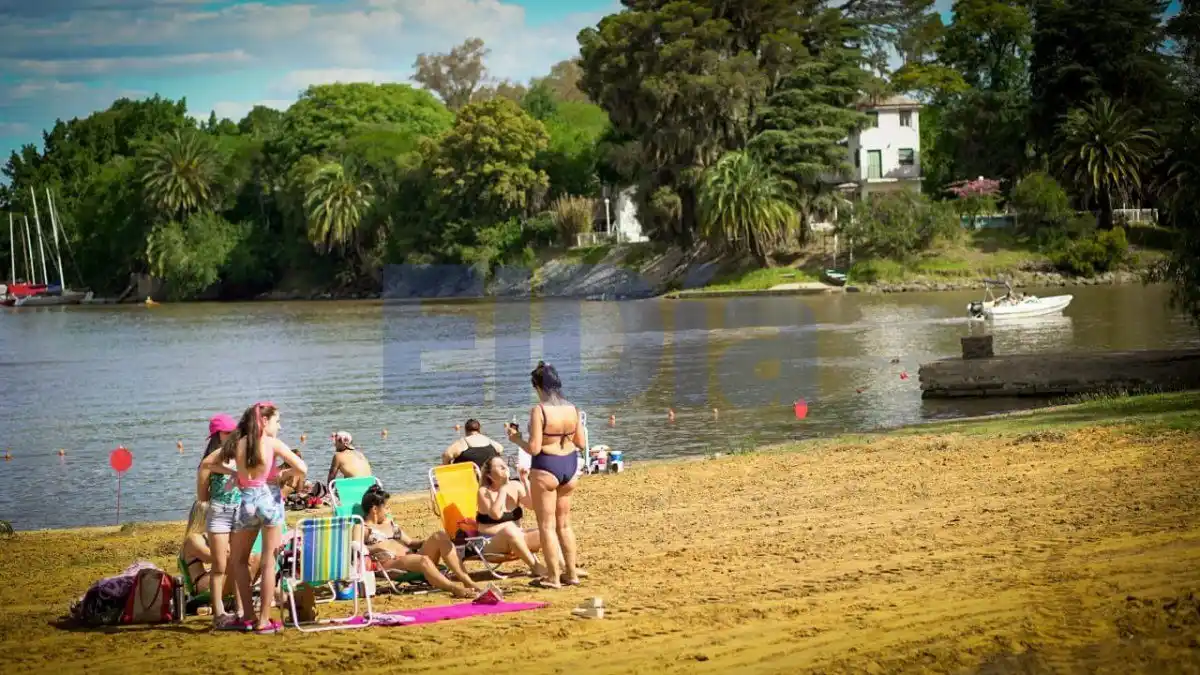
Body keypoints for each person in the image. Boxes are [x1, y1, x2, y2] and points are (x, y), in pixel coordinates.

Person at [221, 401, 307, 634]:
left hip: (246, 502)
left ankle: (247, 615)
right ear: (265, 421)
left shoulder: (238, 444)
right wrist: (283, 474)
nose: (279, 426)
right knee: (269, 561)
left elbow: (222, 467)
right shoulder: (271, 443)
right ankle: (263, 621)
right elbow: (302, 468)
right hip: (269, 501)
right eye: (277, 421)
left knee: (239, 560)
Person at [506, 361, 585, 588]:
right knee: (565, 525)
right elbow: (581, 443)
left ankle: (553, 577)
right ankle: (572, 574)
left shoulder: (539, 410)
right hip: (569, 467)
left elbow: (534, 448)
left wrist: (515, 438)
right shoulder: (572, 408)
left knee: (547, 527)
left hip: (546, 468)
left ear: (538, 386)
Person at [355, 485, 486, 599]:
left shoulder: (390, 524)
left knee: (439, 536)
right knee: (422, 560)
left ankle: (468, 581)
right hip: (390, 563)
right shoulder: (362, 527)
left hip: (410, 557)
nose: (389, 510)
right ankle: (455, 589)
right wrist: (376, 547)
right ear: (375, 509)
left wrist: (430, 541)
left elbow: (411, 543)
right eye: (386, 507)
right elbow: (355, 549)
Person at [194, 413, 245, 628]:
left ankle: (242, 609)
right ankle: (219, 613)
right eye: (228, 432)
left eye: (234, 431)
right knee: (219, 566)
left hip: (240, 511)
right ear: (217, 436)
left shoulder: (239, 453)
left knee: (238, 563)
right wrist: (224, 469)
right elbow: (202, 497)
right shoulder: (209, 462)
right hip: (219, 512)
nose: (233, 435)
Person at [180, 500, 262, 610]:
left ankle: (240, 598)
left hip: (217, 574)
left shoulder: (213, 535)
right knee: (239, 561)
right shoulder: (193, 539)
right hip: (202, 585)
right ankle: (239, 602)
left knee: (258, 558)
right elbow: (214, 558)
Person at [476, 455, 545, 578]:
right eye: (499, 466)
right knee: (510, 529)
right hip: (491, 544)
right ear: (489, 475)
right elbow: (496, 515)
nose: (504, 467)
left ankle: (563, 567)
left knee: (546, 531)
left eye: (504, 464)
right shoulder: (484, 492)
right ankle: (536, 567)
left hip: (517, 539)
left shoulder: (516, 485)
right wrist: (503, 488)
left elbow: (532, 505)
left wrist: (524, 480)